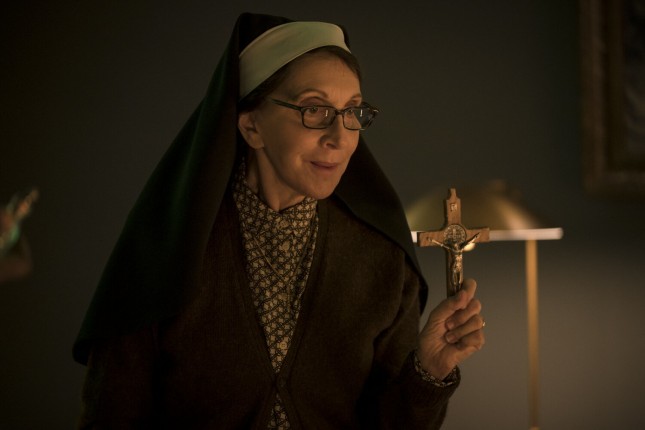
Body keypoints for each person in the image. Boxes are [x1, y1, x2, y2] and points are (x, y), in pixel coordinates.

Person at [74, 12, 485, 429]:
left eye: (352, 112)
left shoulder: (383, 259)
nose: (340, 138)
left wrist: (429, 370)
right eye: (314, 109)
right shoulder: (168, 252)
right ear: (252, 126)